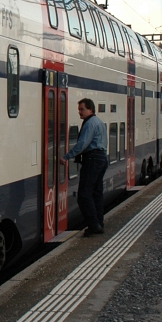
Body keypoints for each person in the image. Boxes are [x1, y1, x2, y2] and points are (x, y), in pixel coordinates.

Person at [61, 98, 108, 235]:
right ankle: (99, 223)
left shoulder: (89, 124)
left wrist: (66, 156)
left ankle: (93, 225)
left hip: (92, 159)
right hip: (101, 158)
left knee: (84, 195)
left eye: (82, 109)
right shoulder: (99, 122)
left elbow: (82, 144)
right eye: (79, 109)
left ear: (90, 109)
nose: (80, 112)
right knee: (96, 193)